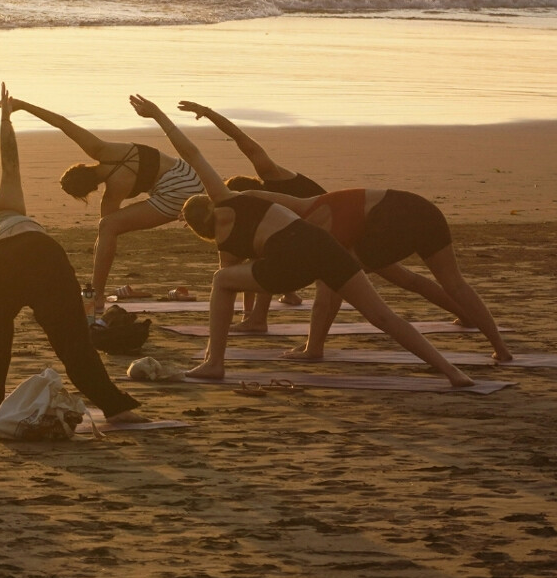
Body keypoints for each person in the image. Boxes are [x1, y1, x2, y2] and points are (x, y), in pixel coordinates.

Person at [130, 95, 473, 387]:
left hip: (289, 263)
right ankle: (451, 370)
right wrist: (159, 115)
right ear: (208, 203)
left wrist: (250, 316)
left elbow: (236, 288)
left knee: (222, 280)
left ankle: (213, 363)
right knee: (383, 316)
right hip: (324, 246)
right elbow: (192, 154)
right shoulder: (226, 197)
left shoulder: (227, 246)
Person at [0, 85, 149, 424]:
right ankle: (116, 407)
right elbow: (10, 164)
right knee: (73, 341)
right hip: (43, 255)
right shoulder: (7, 214)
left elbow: (9, 164)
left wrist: (5, 120)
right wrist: (6, 120)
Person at [6, 97, 204, 317]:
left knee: (108, 226)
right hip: (189, 172)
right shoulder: (103, 150)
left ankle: (95, 295)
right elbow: (62, 122)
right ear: (81, 166)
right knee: (107, 227)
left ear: (87, 192)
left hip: (177, 193)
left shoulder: (111, 195)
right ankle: (95, 291)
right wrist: (22, 105)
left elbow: (106, 231)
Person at [281, 189, 512, 363]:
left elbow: (329, 291)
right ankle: (500, 348)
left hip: (390, 219)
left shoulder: (324, 224)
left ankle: (314, 348)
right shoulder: (326, 207)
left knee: (331, 279)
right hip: (424, 210)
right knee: (449, 283)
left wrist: (313, 347)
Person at [177, 101, 328, 331]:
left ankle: (257, 319)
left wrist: (208, 113)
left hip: (327, 222)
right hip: (302, 236)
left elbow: (241, 139)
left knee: (264, 255)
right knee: (264, 249)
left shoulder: (271, 175)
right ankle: (269, 307)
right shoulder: (259, 207)